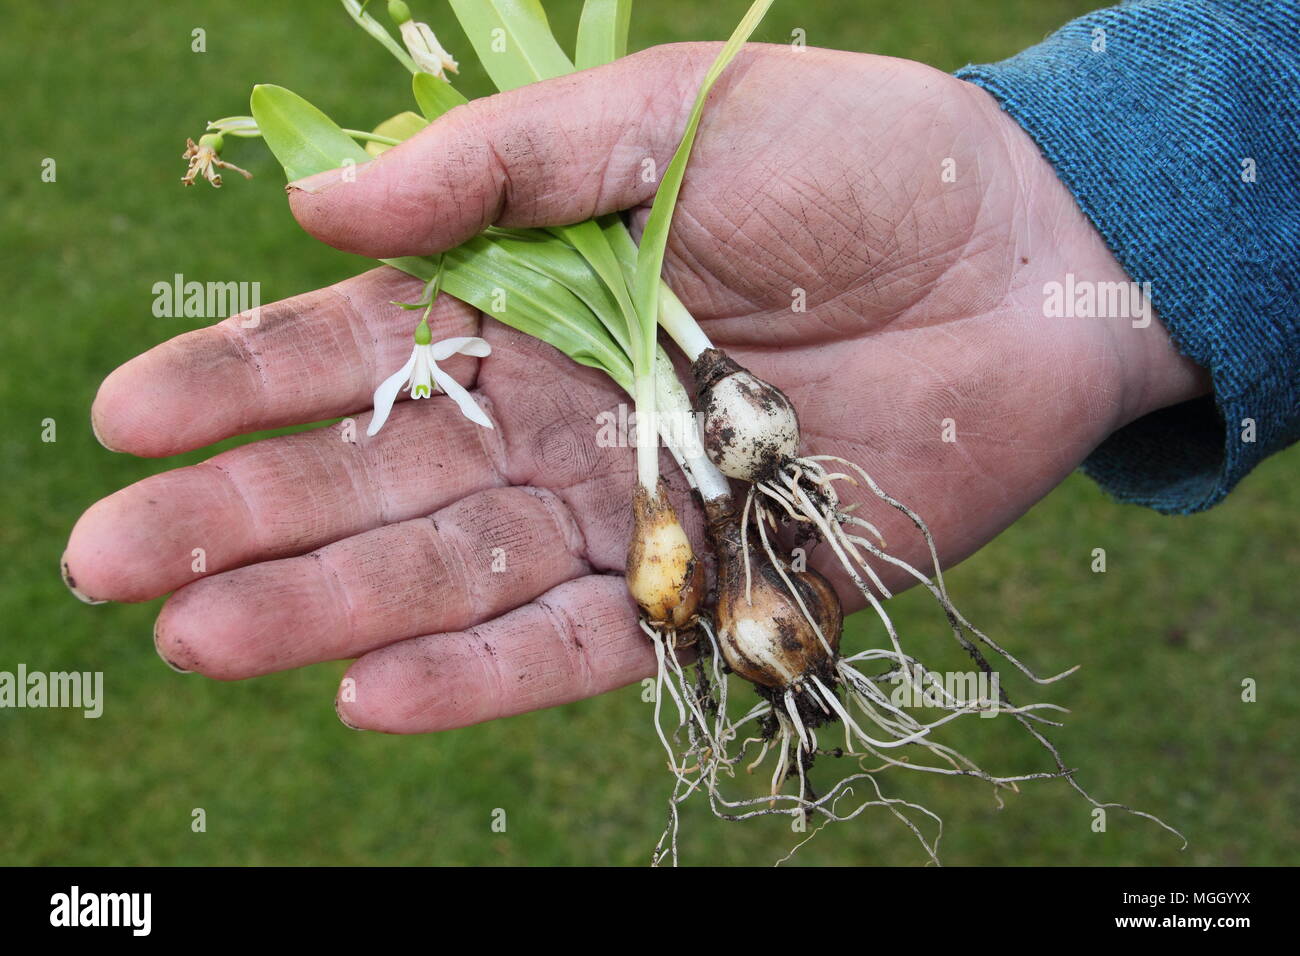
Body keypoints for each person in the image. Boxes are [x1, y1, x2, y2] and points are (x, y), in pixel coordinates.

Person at [63, 0, 1297, 733]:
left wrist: (1048, 199)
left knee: (735, 503)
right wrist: (1067, 204)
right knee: (725, 517)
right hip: (697, 419)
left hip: (701, 413)